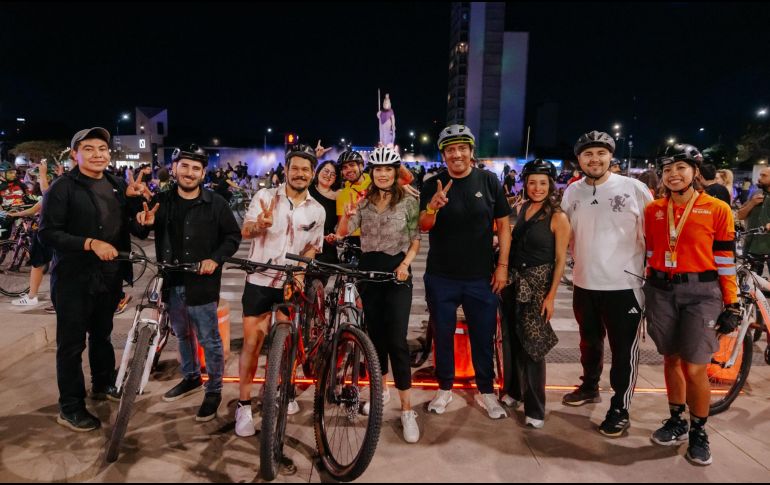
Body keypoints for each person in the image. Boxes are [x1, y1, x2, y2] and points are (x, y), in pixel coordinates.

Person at [38, 127, 143, 432]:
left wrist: (140, 214)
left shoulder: (115, 183)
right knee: (71, 345)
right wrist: (89, 243)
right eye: (89, 148)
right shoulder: (62, 188)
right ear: (75, 154)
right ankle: (70, 406)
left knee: (103, 335)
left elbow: (131, 229)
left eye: (103, 149)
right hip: (73, 279)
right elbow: (47, 234)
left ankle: (103, 383)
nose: (98, 154)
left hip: (109, 278)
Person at [643, 143, 737, 466]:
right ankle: (676, 420)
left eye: (680, 168)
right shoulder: (653, 210)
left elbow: (725, 261)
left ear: (695, 172)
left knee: (695, 366)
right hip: (661, 291)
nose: (673, 174)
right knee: (670, 359)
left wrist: (733, 303)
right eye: (667, 169)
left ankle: (699, 430)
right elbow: (650, 253)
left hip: (702, 294)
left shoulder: (717, 209)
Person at [133, 144, 241, 421]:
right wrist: (144, 222)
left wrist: (215, 259)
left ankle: (214, 389)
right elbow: (142, 227)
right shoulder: (163, 199)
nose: (189, 173)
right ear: (175, 169)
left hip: (202, 283)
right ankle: (191, 377)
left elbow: (232, 237)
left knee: (209, 339)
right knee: (182, 335)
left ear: (203, 172)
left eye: (196, 168)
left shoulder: (215, 203)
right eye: (185, 166)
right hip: (171, 280)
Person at [560, 130, 653, 437]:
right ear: (579, 160)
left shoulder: (634, 188)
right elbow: (565, 234)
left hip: (624, 286)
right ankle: (589, 386)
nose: (595, 159)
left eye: (601, 153)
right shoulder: (573, 192)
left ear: (611, 157)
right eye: (588, 154)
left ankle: (620, 407)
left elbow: (652, 235)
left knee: (623, 351)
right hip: (585, 283)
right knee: (589, 342)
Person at [419, 124, 512, 419]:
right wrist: (432, 207)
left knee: (483, 337)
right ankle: (444, 388)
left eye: (461, 148)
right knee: (443, 335)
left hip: (480, 278)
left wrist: (502, 267)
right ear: (444, 155)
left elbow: (504, 228)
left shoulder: (488, 182)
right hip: (441, 277)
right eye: (450, 150)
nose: (456, 154)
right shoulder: (432, 184)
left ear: (471, 151)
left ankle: (486, 391)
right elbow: (422, 226)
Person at [234, 144, 325, 437]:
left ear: (313, 173)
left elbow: (313, 247)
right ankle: (244, 404)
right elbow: (246, 231)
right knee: (252, 344)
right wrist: (259, 225)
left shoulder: (317, 209)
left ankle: (282, 388)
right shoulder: (264, 197)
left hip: (290, 284)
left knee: (286, 345)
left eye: (306, 169)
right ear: (285, 170)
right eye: (295, 168)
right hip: (260, 281)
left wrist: (300, 271)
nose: (300, 174)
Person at [336, 146, 421, 442]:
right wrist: (346, 218)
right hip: (369, 276)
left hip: (397, 276)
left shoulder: (410, 201)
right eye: (378, 169)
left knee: (397, 341)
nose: (383, 174)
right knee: (375, 340)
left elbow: (415, 240)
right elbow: (344, 232)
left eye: (388, 169)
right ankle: (380, 391)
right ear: (371, 173)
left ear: (395, 172)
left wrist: (405, 266)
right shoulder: (362, 201)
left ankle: (408, 410)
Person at [499, 159, 570, 429]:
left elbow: (561, 259)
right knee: (513, 342)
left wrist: (551, 296)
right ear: (525, 184)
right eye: (532, 182)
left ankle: (536, 408)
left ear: (550, 185)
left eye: (542, 183)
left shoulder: (558, 217)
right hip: (514, 283)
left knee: (533, 349)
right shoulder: (525, 207)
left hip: (537, 287)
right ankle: (515, 393)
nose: (537, 188)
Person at [8, 161, 54, 306]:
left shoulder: (54, 192)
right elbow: (34, 208)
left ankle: (32, 297)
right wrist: (16, 214)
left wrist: (42, 174)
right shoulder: (59, 191)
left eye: (40, 179)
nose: (38, 182)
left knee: (38, 264)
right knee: (42, 264)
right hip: (52, 233)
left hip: (47, 233)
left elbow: (46, 196)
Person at [336, 150, 371, 260]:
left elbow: (405, 179)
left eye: (352, 165)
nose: (348, 170)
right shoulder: (342, 194)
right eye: (344, 167)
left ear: (361, 166)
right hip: (354, 241)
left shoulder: (375, 182)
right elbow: (343, 229)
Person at [737, 167, 770, 276]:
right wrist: (752, 203)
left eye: (764, 175)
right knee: (751, 280)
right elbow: (740, 215)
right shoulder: (755, 193)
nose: (759, 178)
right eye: (760, 175)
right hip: (752, 245)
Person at [308, 159, 340, 266]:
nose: (328, 175)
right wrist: (315, 156)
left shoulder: (339, 196)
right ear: (318, 172)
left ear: (336, 179)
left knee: (317, 280)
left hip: (325, 245)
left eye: (333, 174)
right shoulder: (307, 189)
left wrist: (336, 236)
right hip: (302, 239)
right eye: (326, 171)